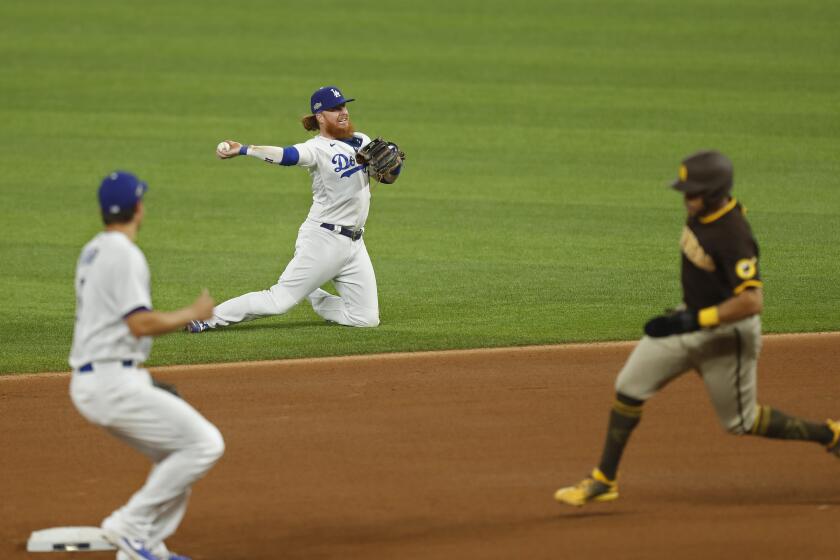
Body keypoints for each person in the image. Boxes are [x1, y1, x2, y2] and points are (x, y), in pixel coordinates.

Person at [553, 150, 840, 507]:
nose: (686, 199)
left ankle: (831, 434)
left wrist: (698, 320)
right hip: (689, 322)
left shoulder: (732, 234)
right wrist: (687, 319)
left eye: (693, 192)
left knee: (740, 422)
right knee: (629, 386)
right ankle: (604, 479)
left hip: (727, 335)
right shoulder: (705, 212)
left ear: (715, 192)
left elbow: (752, 301)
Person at [69, 171, 225, 559]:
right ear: (138, 208)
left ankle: (145, 549)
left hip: (108, 376)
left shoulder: (94, 249)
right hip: (110, 382)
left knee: (176, 457)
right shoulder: (123, 254)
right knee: (204, 445)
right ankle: (129, 527)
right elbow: (138, 323)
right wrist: (192, 312)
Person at [186, 85, 404, 333]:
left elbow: (385, 176)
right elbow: (287, 155)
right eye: (335, 109)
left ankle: (313, 292)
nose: (343, 112)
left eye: (344, 106)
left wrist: (393, 168)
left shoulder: (362, 141)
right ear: (320, 117)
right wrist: (246, 149)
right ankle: (207, 318)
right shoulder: (316, 149)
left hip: (355, 244)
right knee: (278, 301)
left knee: (365, 318)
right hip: (323, 239)